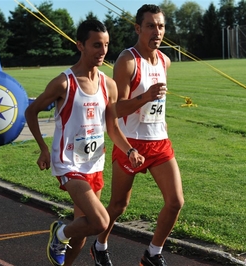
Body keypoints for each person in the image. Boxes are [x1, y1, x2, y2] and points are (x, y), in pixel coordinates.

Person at [25, 20, 145, 266]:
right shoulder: (64, 82)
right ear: (80, 45)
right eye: (96, 45)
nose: (102, 51)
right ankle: (59, 232)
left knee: (84, 229)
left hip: (94, 163)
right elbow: (31, 111)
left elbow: (112, 128)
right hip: (68, 163)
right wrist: (43, 148)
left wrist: (130, 149)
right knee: (100, 221)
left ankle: (64, 254)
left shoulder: (108, 85)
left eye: (106, 45)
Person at [91, 4, 184, 266]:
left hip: (159, 141)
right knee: (119, 204)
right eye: (151, 26)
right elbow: (116, 109)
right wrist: (145, 97)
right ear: (138, 28)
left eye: (161, 26)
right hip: (130, 142)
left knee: (175, 201)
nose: (157, 31)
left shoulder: (165, 60)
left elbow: (157, 104)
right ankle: (99, 245)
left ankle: (153, 253)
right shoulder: (127, 61)